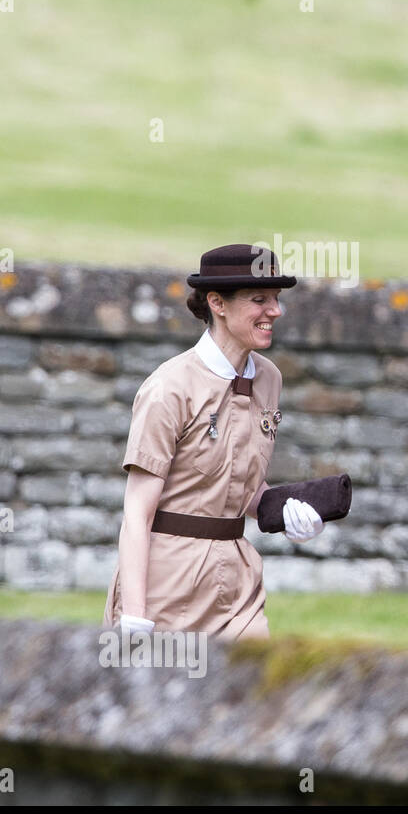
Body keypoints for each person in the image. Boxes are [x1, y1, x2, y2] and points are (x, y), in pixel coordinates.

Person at [101, 243, 325, 641]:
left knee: (256, 694)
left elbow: (241, 487)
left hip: (239, 582)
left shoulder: (269, 378)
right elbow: (137, 513)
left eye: (275, 299)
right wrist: (134, 617)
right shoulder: (168, 389)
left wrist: (286, 513)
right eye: (259, 300)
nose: (275, 311)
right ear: (217, 303)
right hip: (168, 584)